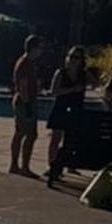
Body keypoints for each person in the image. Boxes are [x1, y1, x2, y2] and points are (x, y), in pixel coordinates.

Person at [46, 46, 87, 186]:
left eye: (76, 57)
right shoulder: (61, 73)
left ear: (81, 60)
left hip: (76, 111)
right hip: (61, 108)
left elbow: (98, 84)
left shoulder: (83, 75)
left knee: (71, 140)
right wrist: (72, 89)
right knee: (55, 139)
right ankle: (52, 166)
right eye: (71, 56)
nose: (72, 60)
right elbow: (54, 91)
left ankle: (69, 165)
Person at [9, 34, 43, 175]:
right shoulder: (25, 63)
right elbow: (23, 85)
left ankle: (17, 165)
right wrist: (28, 104)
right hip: (25, 102)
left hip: (26, 100)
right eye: (40, 48)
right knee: (28, 134)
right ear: (33, 48)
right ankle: (22, 166)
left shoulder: (28, 63)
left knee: (21, 133)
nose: (41, 51)